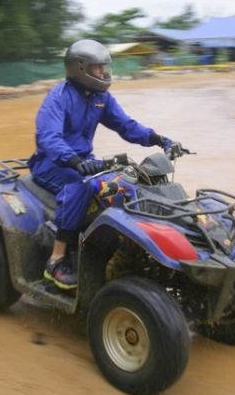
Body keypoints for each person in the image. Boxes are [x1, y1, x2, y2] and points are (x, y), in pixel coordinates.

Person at [27, 39, 177, 290]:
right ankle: (56, 260)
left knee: (128, 181)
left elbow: (125, 125)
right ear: (82, 68)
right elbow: (48, 138)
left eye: (105, 67)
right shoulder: (58, 97)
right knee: (81, 185)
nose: (105, 73)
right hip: (51, 163)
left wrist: (158, 139)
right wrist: (74, 161)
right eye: (99, 68)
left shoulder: (101, 98)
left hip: (83, 161)